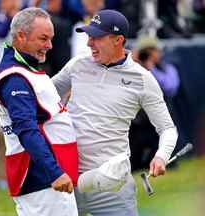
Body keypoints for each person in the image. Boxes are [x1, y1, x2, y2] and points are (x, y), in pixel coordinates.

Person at [52, 9, 178, 216]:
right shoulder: (77, 65)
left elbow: (167, 128)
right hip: (67, 179)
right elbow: (44, 95)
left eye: (96, 38)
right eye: (88, 37)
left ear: (118, 40)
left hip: (113, 186)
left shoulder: (142, 78)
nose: (89, 43)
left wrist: (161, 156)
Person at [0, 7, 78, 216]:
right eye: (43, 39)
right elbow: (26, 130)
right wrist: (54, 172)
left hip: (45, 175)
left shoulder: (25, 69)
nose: (49, 46)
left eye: (50, 39)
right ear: (20, 36)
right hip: (40, 177)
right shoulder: (15, 78)